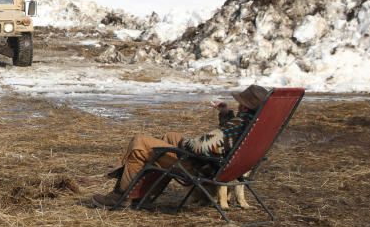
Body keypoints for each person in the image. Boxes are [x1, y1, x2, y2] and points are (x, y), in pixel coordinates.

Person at [92, 85, 268, 208]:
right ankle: (145, 194)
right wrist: (225, 114)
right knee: (170, 137)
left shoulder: (238, 125)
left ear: (245, 105)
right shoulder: (254, 124)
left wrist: (186, 143)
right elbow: (230, 139)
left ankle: (121, 196)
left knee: (140, 143)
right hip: (220, 163)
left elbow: (200, 146)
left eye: (241, 102)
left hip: (202, 166)